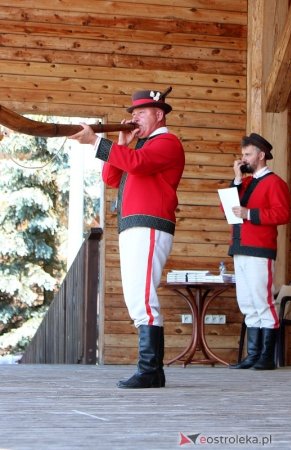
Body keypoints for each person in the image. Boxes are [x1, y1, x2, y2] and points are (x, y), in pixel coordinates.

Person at [69, 88, 185, 389]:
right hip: (134, 225)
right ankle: (151, 371)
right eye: (133, 113)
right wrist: (120, 143)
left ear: (159, 115)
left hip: (150, 224)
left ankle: (150, 370)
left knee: (142, 297)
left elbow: (136, 164)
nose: (134, 117)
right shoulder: (140, 147)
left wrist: (96, 140)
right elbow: (110, 178)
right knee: (137, 296)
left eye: (141, 113)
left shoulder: (167, 142)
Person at [227, 133, 290, 370]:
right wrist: (236, 178)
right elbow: (231, 207)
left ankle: (266, 357)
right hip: (240, 246)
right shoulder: (244, 182)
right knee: (247, 302)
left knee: (263, 301)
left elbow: (282, 214)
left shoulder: (275, 183)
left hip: (260, 248)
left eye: (247, 154)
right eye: (243, 154)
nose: (243, 158)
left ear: (261, 155)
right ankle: (253, 355)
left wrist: (249, 214)